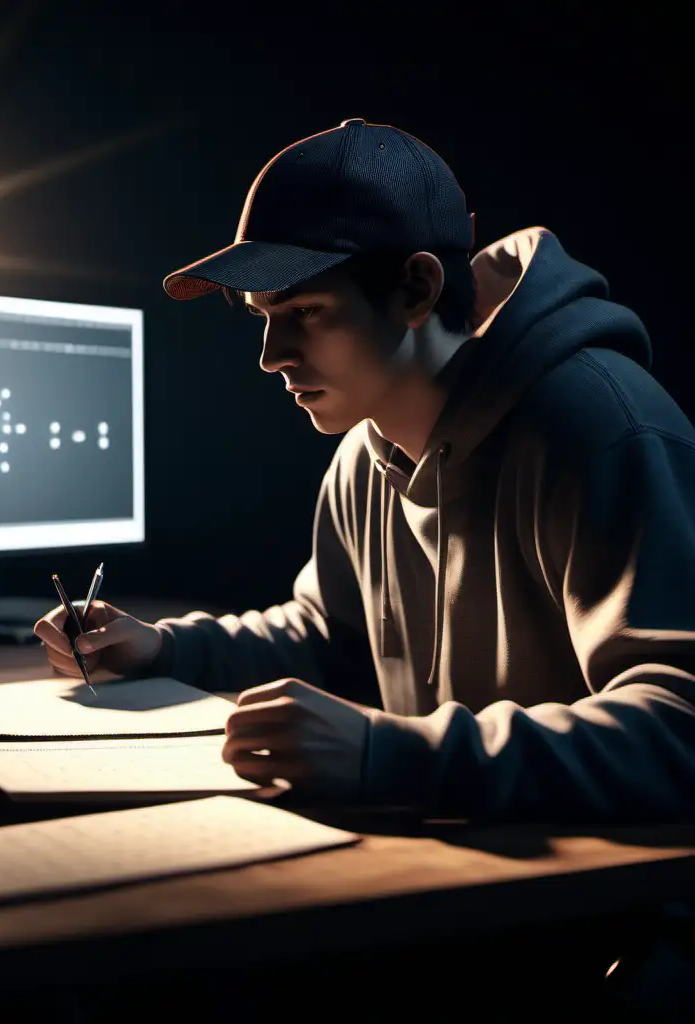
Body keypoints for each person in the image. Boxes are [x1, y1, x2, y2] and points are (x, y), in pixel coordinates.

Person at [34, 117, 695, 824]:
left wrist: (394, 755)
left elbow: (679, 723)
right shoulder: (365, 449)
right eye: (262, 316)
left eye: (305, 312)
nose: (271, 354)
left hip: (611, 913)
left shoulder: (599, 427)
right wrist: (167, 648)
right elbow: (334, 637)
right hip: (461, 873)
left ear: (415, 289)